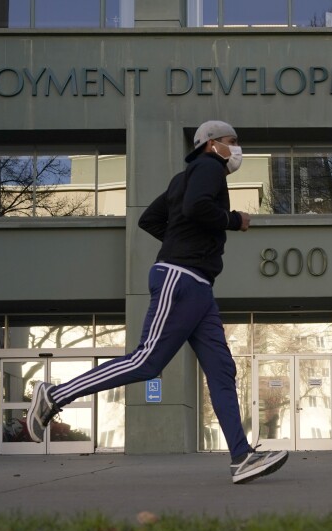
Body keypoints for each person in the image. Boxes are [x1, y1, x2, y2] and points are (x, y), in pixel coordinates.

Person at [25, 120, 288, 484]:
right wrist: (234, 219)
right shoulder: (208, 168)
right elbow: (198, 209)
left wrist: (182, 239)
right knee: (147, 361)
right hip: (181, 279)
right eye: (232, 141)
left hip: (198, 288)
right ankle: (54, 395)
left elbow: (150, 219)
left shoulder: (183, 178)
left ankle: (242, 457)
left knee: (222, 372)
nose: (236, 148)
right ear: (212, 144)